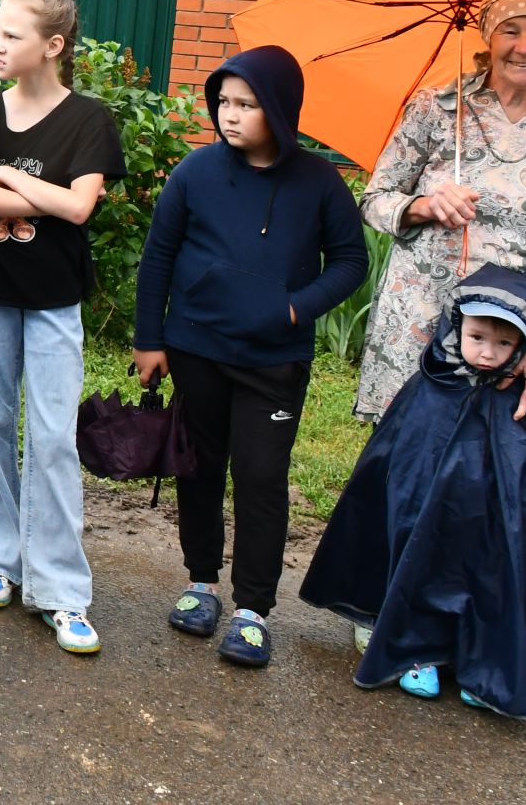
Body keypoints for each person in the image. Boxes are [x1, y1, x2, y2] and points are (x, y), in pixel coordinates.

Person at [131, 46, 367, 667]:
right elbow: (158, 258)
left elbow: (350, 263)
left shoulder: (319, 182)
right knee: (200, 468)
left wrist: (294, 309)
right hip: (196, 349)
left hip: (273, 362)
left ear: (281, 109)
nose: (229, 116)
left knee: (261, 480)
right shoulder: (195, 172)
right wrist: (149, 339)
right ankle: (201, 585)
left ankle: (253, 611)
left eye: (247, 104)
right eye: (224, 103)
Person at [300, 265, 526, 719]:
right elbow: (396, 467)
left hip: (489, 522)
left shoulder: (525, 401)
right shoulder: (430, 387)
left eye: (504, 344)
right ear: (456, 325)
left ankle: (488, 667)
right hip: (430, 516)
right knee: (420, 551)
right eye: (477, 338)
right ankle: (417, 651)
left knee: (501, 565)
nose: (487, 353)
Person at [0, 0, 125, 655]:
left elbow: (81, 210)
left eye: (11, 35)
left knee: (52, 437)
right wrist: (43, 194)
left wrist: (14, 181)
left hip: (54, 298)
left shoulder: (89, 119)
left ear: (52, 46)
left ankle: (60, 592)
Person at [355, 0, 526, 433]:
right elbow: (374, 201)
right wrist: (423, 206)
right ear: (489, 37)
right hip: (417, 311)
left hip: (505, 329)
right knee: (404, 454)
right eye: (511, 30)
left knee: (481, 466)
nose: (525, 47)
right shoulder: (436, 108)